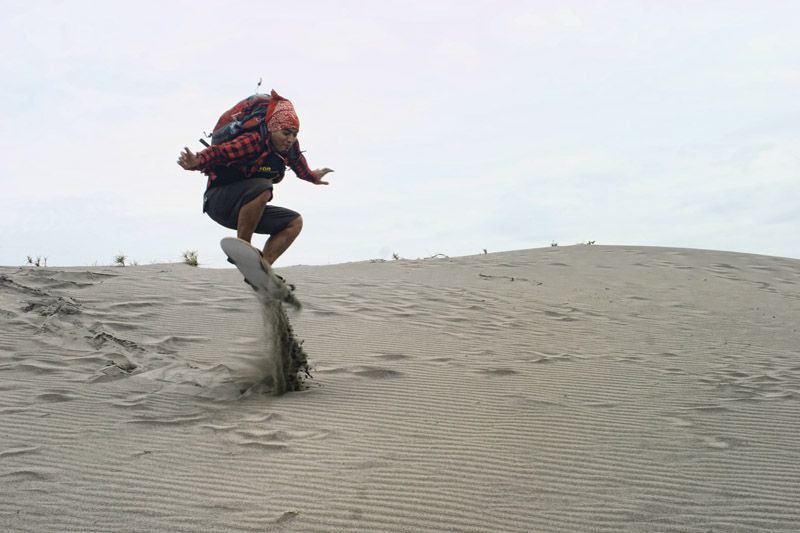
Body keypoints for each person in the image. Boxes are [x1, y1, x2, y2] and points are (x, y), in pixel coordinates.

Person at [177, 90, 333, 265]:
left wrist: (313, 176)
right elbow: (219, 153)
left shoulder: (288, 148)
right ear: (273, 128)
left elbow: (300, 166)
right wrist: (196, 161)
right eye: (286, 133)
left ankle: (262, 270)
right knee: (263, 185)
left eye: (294, 134)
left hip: (248, 213)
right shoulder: (254, 140)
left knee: (294, 222)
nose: (290, 139)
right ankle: (243, 248)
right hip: (219, 203)